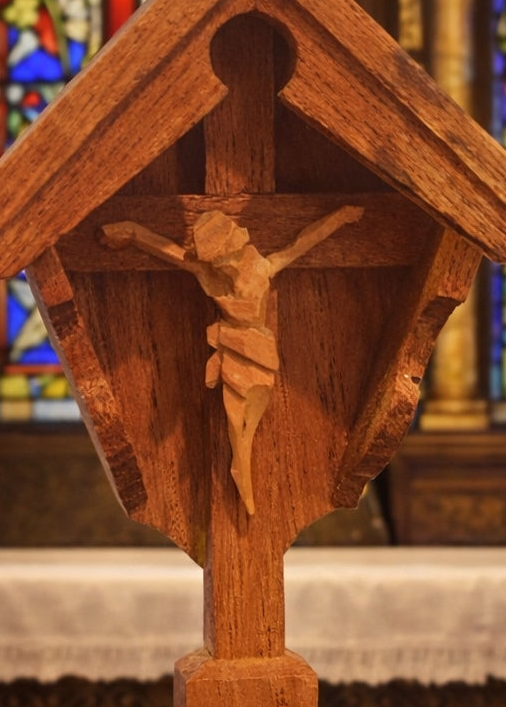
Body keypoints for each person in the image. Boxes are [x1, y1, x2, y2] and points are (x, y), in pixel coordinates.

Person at [103, 204, 363, 515]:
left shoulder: (264, 268)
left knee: (251, 417)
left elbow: (304, 241)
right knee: (233, 413)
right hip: (232, 347)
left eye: (224, 257)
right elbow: (170, 251)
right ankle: (241, 472)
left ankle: (242, 468)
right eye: (217, 261)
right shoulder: (210, 275)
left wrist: (340, 217)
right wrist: (131, 231)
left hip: (259, 347)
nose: (223, 265)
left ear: (236, 247)